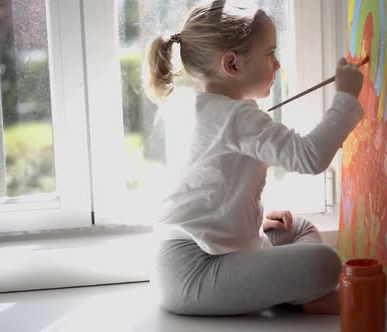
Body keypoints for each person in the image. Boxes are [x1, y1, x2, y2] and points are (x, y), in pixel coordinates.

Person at [147, 0, 364, 316]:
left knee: (297, 227)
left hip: (179, 261)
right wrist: (345, 98)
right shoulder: (237, 116)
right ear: (232, 64)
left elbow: (205, 188)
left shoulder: (195, 106)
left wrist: (245, 220)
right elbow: (309, 156)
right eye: (270, 54)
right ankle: (299, 293)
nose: (277, 65)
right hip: (194, 270)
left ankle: (288, 290)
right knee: (325, 263)